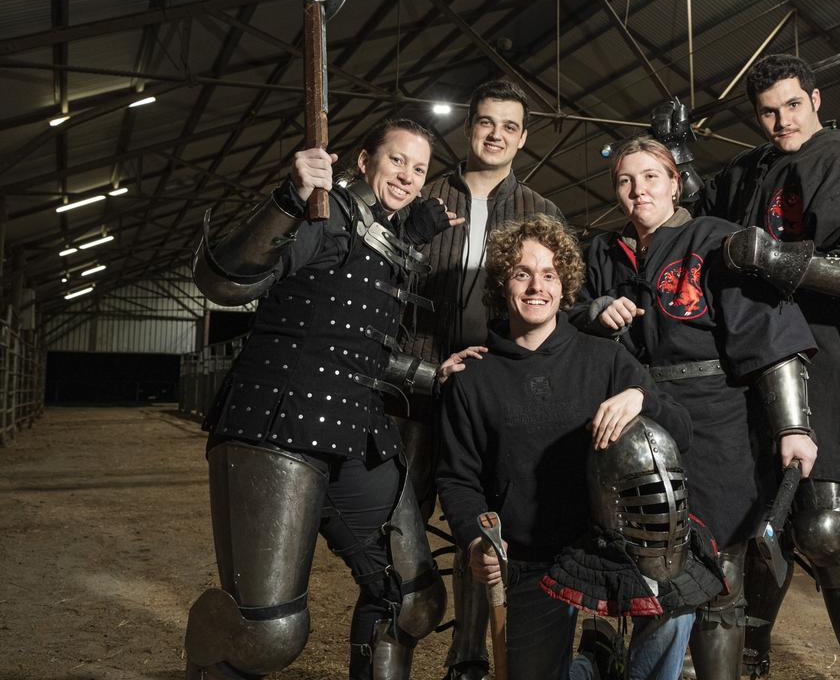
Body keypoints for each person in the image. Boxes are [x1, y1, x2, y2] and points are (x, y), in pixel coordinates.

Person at [183, 118, 463, 680]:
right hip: (278, 422)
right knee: (269, 633)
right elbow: (226, 282)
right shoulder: (324, 212)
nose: (408, 176)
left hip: (352, 426)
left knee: (414, 600)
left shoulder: (379, 238)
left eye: (419, 167)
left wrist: (437, 374)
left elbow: (357, 348)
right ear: (363, 161)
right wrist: (288, 198)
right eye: (397, 160)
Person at [695, 53, 840, 680]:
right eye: (767, 110)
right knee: (762, 525)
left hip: (835, 366)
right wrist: (677, 154)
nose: (781, 120)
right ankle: (754, 659)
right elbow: (695, 211)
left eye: (792, 104)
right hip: (758, 366)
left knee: (824, 528)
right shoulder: (752, 168)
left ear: (815, 99)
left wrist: (785, 262)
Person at [571, 136, 818, 680]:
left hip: (715, 426)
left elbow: (770, 335)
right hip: (629, 429)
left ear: (674, 182)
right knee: (635, 574)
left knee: (717, 579)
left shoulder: (715, 241)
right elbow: (555, 317)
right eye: (626, 181)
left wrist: (793, 426)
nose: (639, 191)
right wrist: (593, 310)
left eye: (651, 177)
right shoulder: (599, 254)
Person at [436, 214, 702, 680]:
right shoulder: (474, 378)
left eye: (549, 274)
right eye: (522, 273)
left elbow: (680, 430)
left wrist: (643, 397)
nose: (536, 286)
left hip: (609, 546)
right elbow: (458, 478)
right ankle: (591, 665)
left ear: (565, 286)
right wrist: (478, 539)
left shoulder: (606, 358)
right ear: (504, 283)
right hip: (531, 557)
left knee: (677, 604)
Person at [402, 79, 562, 680]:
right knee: (404, 515)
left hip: (495, 391)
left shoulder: (542, 212)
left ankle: (467, 655)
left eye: (510, 126)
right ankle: (397, 639)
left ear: (523, 138)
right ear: (468, 129)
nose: (496, 134)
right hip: (417, 383)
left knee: (483, 520)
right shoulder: (425, 195)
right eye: (486, 123)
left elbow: (556, 298)